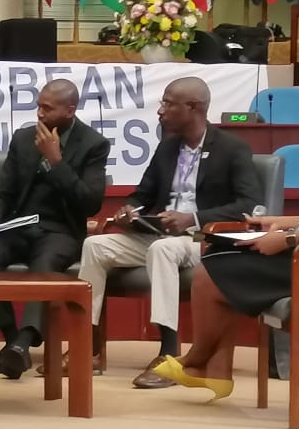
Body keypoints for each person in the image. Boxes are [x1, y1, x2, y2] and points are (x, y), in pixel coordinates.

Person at [155, 67, 299, 399]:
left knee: (216, 271)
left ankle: (197, 361)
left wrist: (289, 239)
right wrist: (285, 222)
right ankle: (213, 370)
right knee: (220, 252)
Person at [76, 77, 262, 389]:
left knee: (162, 250)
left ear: (193, 107)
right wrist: (129, 211)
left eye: (168, 103)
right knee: (95, 245)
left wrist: (192, 217)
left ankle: (168, 351)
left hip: (203, 238)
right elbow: (143, 194)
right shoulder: (167, 147)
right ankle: (89, 346)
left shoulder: (232, 149)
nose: (160, 111)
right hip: (158, 232)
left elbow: (250, 205)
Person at [0, 79, 110, 380]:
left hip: (60, 231)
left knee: (44, 265)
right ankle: (10, 340)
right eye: (38, 106)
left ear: (70, 110)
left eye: (47, 108)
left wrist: (55, 161)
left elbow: (90, 203)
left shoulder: (93, 144)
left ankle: (23, 343)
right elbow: (3, 192)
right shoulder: (22, 139)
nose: (39, 114)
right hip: (19, 226)